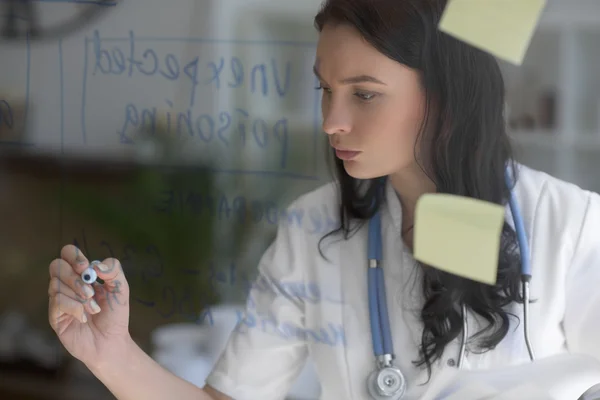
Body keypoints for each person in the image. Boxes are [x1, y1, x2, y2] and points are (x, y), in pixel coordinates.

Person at [47, 0, 600, 399]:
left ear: (446, 98)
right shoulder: (312, 230)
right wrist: (110, 353)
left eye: (364, 94)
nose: (333, 122)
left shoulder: (567, 225)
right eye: (325, 91)